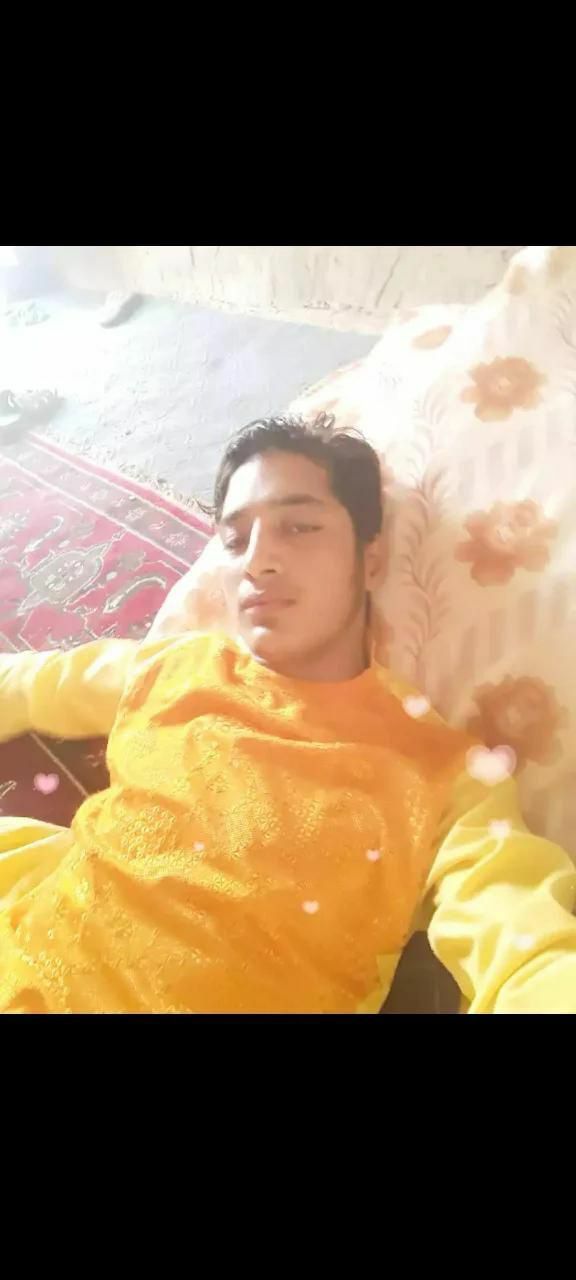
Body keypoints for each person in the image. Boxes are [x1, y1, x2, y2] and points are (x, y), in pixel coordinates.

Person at [1, 415, 575, 1014]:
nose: (258, 562)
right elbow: (29, 683)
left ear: (371, 560)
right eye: (234, 540)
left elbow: (524, 949)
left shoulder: (438, 775)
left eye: (299, 527)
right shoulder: (173, 667)